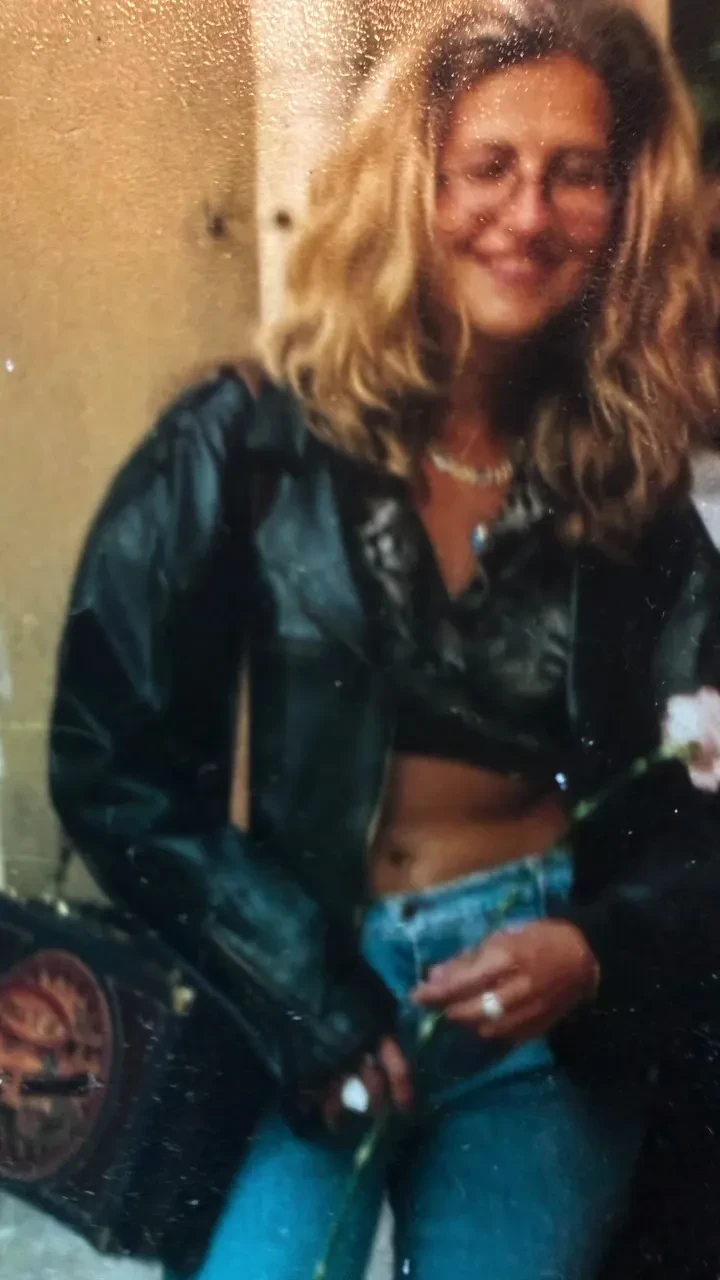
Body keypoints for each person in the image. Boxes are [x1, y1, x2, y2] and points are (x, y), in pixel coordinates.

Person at [48, 1, 720, 1277]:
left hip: (537, 1012)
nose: (528, 215)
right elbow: (108, 757)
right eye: (489, 166)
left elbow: (710, 797)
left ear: (625, 206)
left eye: (577, 173)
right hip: (291, 979)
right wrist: (304, 994)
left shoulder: (628, 488)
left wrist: (599, 946)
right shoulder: (242, 440)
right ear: (414, 185)